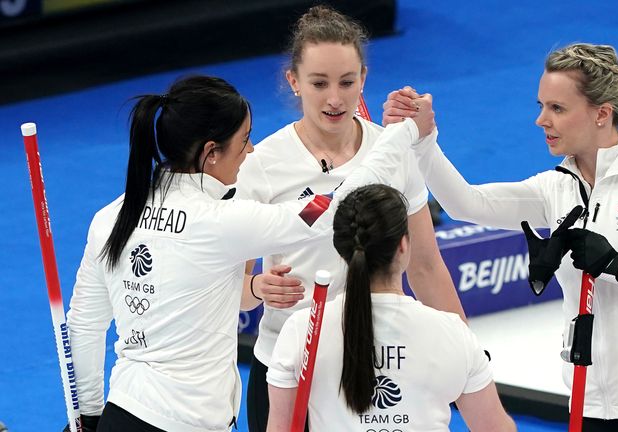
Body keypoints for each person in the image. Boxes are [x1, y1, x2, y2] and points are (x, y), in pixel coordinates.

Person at [384, 43, 618, 431]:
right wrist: (424, 141)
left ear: (602, 114)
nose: (541, 120)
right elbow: (468, 204)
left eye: (557, 109)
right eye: (541, 106)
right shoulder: (557, 188)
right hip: (589, 407)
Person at [64, 75, 435, 431]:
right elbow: (328, 211)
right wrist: (401, 135)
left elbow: (84, 326)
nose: (252, 150)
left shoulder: (109, 217)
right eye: (244, 140)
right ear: (211, 153)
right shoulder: (220, 222)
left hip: (121, 413)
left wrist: (90, 416)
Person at [236, 6, 466, 430]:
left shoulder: (393, 151)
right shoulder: (262, 165)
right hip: (288, 370)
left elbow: (427, 266)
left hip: (375, 369)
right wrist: (255, 287)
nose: (335, 99)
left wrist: (470, 354)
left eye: (346, 82)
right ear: (294, 81)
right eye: (319, 83)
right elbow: (233, 291)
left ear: (363, 77)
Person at [265, 184, 517, 432]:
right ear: (404, 245)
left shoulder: (301, 330)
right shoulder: (453, 334)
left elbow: (279, 427)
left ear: (341, 250)